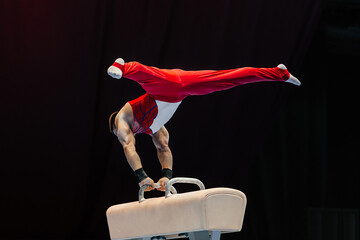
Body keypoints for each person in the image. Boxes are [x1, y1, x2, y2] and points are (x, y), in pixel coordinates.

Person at [107, 58, 300, 192]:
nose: (121, 134)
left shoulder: (122, 118)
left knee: (146, 74)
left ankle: (122, 67)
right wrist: (166, 175)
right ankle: (279, 73)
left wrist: (141, 177)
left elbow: (128, 147)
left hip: (161, 87)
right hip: (182, 88)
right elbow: (163, 148)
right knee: (229, 79)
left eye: (117, 133)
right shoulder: (154, 128)